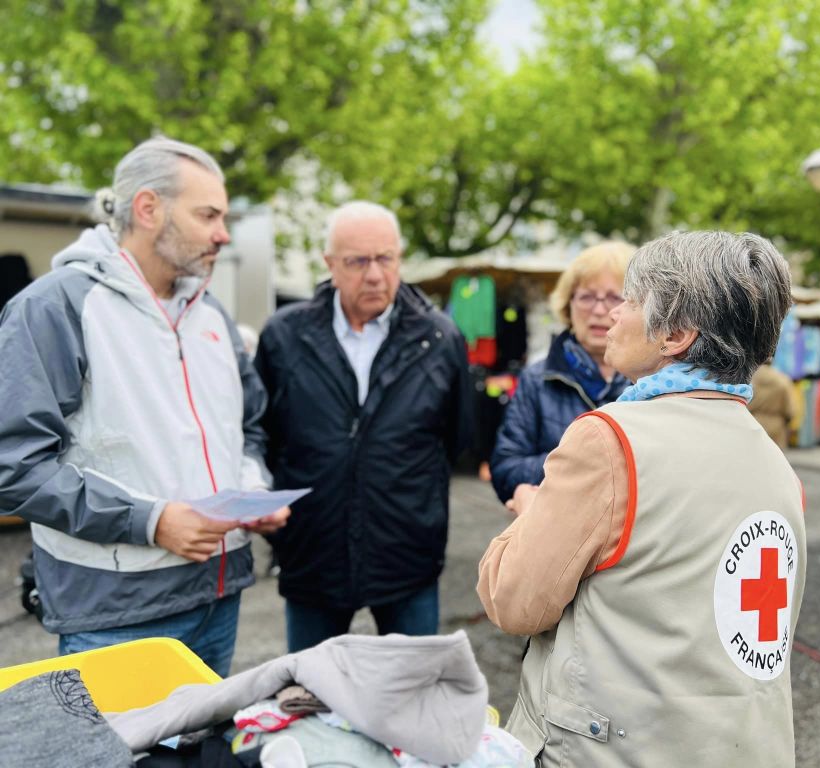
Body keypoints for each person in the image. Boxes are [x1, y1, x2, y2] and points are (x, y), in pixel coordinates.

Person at [478, 231, 807, 767]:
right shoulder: (774, 462)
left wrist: (532, 514)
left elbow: (513, 602)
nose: (613, 313)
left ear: (675, 333)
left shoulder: (608, 439)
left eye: (630, 300)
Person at [0, 137, 288, 676]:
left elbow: (247, 426)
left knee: (206, 736)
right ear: (148, 208)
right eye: (208, 215)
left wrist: (250, 490)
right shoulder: (55, 308)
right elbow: (14, 467)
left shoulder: (212, 315)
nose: (223, 234)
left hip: (220, 597)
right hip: (117, 615)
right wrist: (150, 522)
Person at [255, 201, 472, 651]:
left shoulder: (439, 338)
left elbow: (456, 440)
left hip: (406, 553)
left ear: (399, 259)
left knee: (410, 685)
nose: (374, 275)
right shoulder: (284, 336)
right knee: (312, 686)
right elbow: (265, 436)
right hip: (313, 553)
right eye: (357, 261)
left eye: (385, 259)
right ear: (330, 264)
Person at [489, 242, 632, 505]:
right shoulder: (537, 379)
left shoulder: (650, 381)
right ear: (568, 305)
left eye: (615, 297)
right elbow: (505, 470)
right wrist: (580, 462)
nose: (599, 310)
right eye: (587, 297)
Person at [748, 362, 795, 449]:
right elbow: (790, 410)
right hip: (776, 426)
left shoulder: (750, 379)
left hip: (754, 421)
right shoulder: (783, 380)